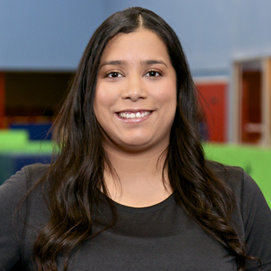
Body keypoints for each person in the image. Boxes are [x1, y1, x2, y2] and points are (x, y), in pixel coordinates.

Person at [0, 7, 271, 271]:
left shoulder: (237, 195)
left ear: (179, 87)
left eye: (153, 73)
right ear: (89, 92)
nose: (134, 90)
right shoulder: (29, 196)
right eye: (113, 74)